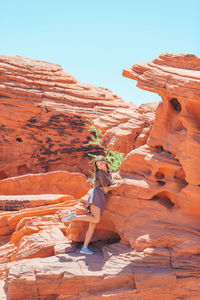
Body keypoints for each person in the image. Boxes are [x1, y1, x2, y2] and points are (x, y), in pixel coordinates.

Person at [61, 155, 123, 255]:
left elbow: (108, 185)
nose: (100, 166)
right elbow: (106, 189)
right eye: (98, 165)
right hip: (97, 195)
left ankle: (84, 248)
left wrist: (115, 183)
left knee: (92, 225)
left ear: (105, 162)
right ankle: (74, 217)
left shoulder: (107, 173)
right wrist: (116, 186)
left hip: (101, 197)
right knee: (96, 219)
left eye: (102, 164)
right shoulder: (100, 174)